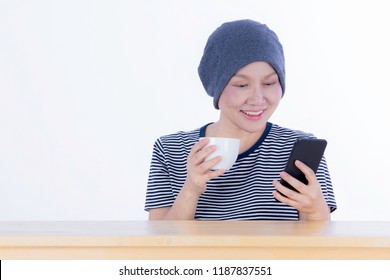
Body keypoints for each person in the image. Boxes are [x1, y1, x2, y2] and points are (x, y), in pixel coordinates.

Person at [144, 19, 337, 221]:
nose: (258, 99)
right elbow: (159, 246)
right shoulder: (171, 150)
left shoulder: (300, 150)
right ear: (215, 87)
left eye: (269, 82)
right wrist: (191, 190)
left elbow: (318, 247)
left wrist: (315, 210)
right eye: (242, 85)